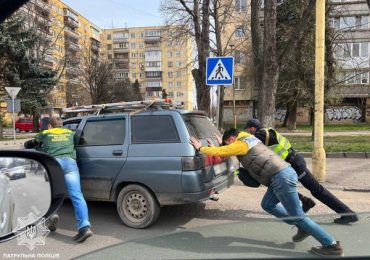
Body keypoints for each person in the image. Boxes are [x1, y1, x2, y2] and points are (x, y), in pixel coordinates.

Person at [190, 128, 343, 257]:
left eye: (227, 142)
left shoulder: (242, 143)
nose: (228, 145)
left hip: (280, 177)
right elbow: (226, 150)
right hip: (279, 176)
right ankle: (302, 226)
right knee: (268, 204)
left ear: (231, 139)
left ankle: (331, 244)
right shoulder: (247, 139)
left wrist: (201, 148)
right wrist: (219, 144)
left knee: (299, 216)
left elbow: (223, 151)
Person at [244, 118, 358, 225]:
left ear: (253, 128)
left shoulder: (261, 135)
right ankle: (305, 201)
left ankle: (347, 213)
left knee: (317, 190)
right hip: (293, 162)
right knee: (277, 185)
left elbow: (247, 143)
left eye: (248, 129)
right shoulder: (268, 131)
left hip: (294, 165)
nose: (247, 131)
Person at [34, 116, 93, 243]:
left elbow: (35, 141)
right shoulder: (70, 133)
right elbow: (81, 141)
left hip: (55, 163)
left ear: (50, 126)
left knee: (51, 193)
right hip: (70, 164)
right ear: (62, 126)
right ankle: (84, 227)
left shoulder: (45, 133)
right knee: (77, 195)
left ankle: (52, 215)